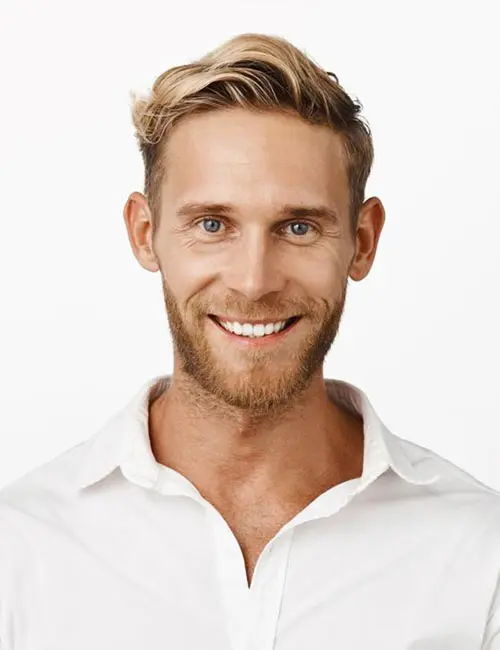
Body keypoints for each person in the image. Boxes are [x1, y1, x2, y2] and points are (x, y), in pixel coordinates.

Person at [1, 32, 499, 650]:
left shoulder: (480, 560)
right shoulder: (19, 553)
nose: (253, 281)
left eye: (298, 227)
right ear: (144, 232)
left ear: (363, 241)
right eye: (213, 224)